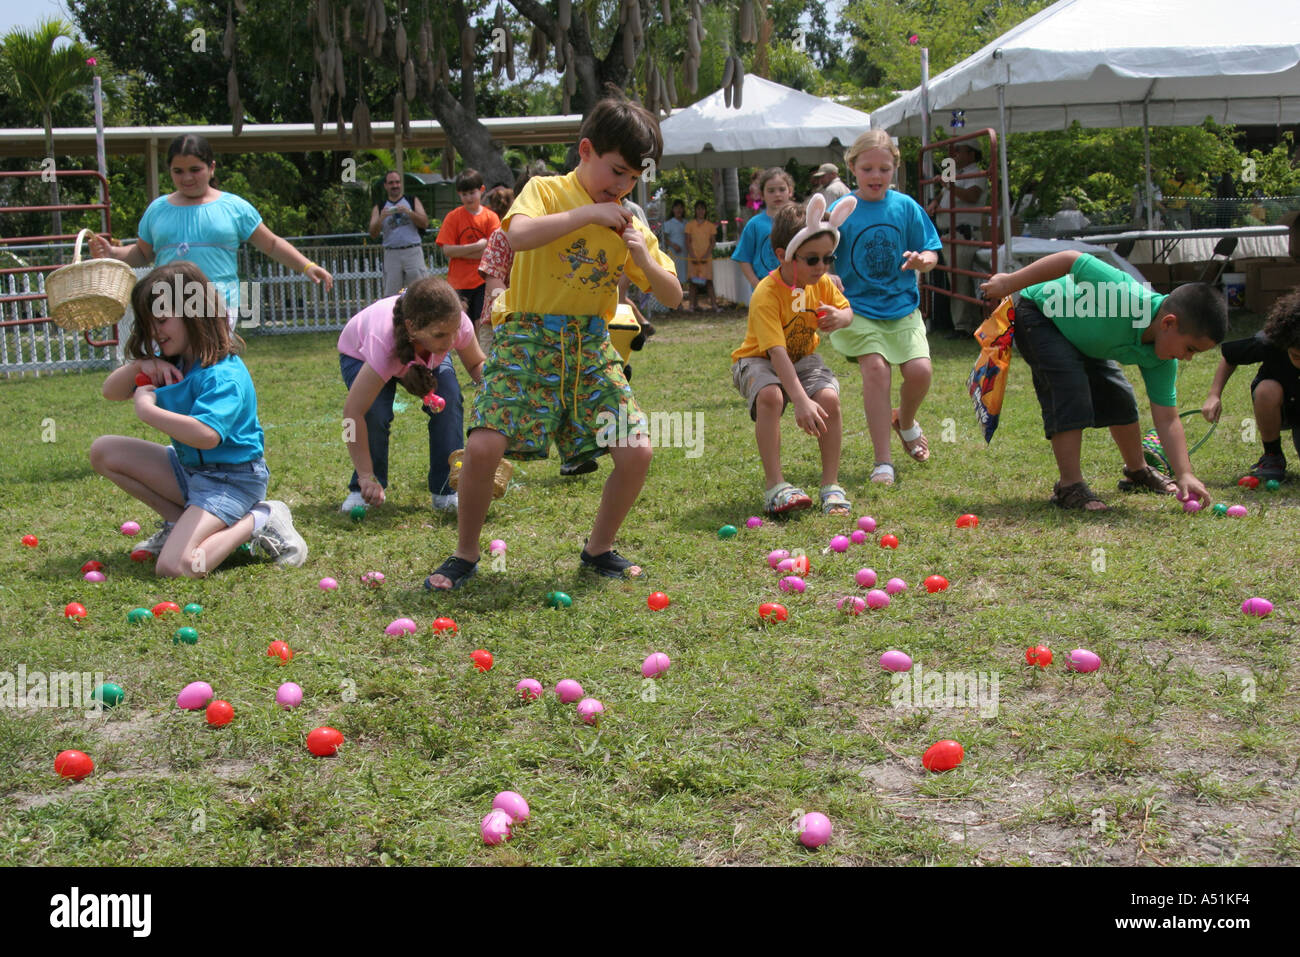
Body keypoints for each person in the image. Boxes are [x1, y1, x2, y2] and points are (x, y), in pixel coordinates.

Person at [424, 95, 682, 590]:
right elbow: (516, 236)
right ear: (585, 150)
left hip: (588, 343)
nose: (624, 186)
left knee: (637, 452)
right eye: (617, 172)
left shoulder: (630, 221)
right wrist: (586, 216)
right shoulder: (545, 190)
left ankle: (598, 549)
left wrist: (643, 260)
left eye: (633, 178)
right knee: (483, 447)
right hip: (526, 337)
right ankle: (466, 553)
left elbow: (670, 292)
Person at [88, 261, 307, 576]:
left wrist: (149, 411)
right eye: (149, 323)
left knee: (177, 566)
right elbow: (110, 390)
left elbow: (207, 435)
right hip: (191, 472)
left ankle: (260, 519)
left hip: (232, 482)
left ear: (195, 313)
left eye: (162, 320)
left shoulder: (224, 375)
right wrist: (145, 365)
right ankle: (180, 524)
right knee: (103, 451)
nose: (154, 332)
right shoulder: (174, 362)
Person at [980, 251, 1227, 511]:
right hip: (1042, 315)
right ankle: (1069, 486)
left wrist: (1185, 473)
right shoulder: (1127, 296)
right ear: (1168, 323)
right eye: (1190, 349)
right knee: (1070, 388)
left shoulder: (1162, 358)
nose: (1187, 358)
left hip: (1085, 336)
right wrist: (1009, 283)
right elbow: (1070, 259)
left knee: (1119, 395)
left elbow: (1167, 418)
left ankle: (1137, 471)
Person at [90, 134, 333, 327]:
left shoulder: (234, 207)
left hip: (219, 304)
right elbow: (142, 254)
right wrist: (111, 252)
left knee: (208, 366)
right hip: (167, 302)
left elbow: (270, 244)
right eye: (178, 171)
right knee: (174, 373)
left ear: (211, 167)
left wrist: (307, 265)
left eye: (195, 169)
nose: (187, 178)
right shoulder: (157, 209)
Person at [829, 130, 942, 487]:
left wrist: (923, 259)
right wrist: (828, 275)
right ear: (852, 168)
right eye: (867, 169)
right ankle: (883, 462)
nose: (876, 176)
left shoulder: (906, 207)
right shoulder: (841, 210)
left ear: (894, 169)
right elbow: (818, 255)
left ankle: (904, 421)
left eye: (884, 168)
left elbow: (931, 251)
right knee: (876, 370)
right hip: (859, 309)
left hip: (902, 307)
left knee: (921, 372)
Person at [731, 198, 855, 516]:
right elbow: (776, 352)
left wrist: (841, 319)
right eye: (812, 259)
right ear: (782, 255)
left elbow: (847, 311)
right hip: (757, 359)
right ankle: (776, 487)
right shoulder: (767, 293)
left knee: (828, 398)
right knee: (771, 396)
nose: (822, 267)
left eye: (829, 258)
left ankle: (831, 486)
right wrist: (799, 400)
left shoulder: (821, 282)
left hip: (803, 357)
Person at [338, 277, 486, 515]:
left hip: (419, 351)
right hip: (360, 353)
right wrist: (365, 474)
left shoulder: (454, 324)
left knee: (449, 396)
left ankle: (446, 491)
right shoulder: (382, 345)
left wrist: (500, 395)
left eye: (453, 332)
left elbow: (477, 363)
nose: (450, 342)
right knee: (374, 411)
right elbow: (351, 415)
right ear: (411, 327)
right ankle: (362, 487)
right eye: (440, 335)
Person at [1200, 290, 1300, 481]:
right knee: (1266, 390)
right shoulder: (1270, 342)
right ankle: (1272, 456)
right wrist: (1214, 395)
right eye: (1296, 356)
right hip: (1281, 406)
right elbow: (1230, 356)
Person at [927, 142, 986, 337]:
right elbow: (943, 194)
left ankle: (965, 326)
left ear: (972, 153)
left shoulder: (975, 173)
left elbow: (972, 196)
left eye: (958, 150)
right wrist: (935, 202)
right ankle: (963, 323)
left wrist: (949, 185)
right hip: (950, 234)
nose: (954, 154)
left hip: (963, 234)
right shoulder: (958, 174)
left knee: (960, 281)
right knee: (956, 280)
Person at [436, 168, 500, 328]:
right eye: (464, 194)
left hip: (483, 280)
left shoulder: (491, 217)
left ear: (481, 190)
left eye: (472, 192)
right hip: (458, 282)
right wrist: (477, 246)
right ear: (459, 194)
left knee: (481, 323)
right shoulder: (453, 217)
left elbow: (492, 251)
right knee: (461, 325)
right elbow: (448, 250)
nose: (469, 198)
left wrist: (461, 252)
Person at [369, 170, 431, 296]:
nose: (395, 185)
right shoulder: (380, 207)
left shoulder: (412, 200)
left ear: (401, 184)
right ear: (386, 186)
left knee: (421, 291)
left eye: (397, 182)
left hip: (412, 251)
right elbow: (373, 233)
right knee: (391, 294)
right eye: (391, 183)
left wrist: (409, 212)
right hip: (392, 253)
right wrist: (382, 217)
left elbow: (424, 223)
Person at [732, 167, 795, 290]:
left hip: (794, 289)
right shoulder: (754, 224)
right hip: (765, 290)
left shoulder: (799, 222)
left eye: (782, 189)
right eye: (771, 191)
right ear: (761, 195)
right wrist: (756, 283)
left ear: (790, 191)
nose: (777, 194)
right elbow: (743, 258)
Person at [685, 200, 719, 312]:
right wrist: (693, 255)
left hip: (706, 258)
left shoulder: (710, 226)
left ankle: (714, 305)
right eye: (698, 208)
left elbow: (712, 242)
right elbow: (687, 241)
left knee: (709, 282)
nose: (700, 211)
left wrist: (706, 255)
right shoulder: (689, 225)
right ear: (695, 210)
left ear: (705, 211)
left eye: (702, 208)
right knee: (693, 283)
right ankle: (692, 306)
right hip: (693, 257)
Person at [662, 199, 689, 296]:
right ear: (673, 209)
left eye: (681, 207)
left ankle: (681, 299)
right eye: (677, 207)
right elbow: (663, 237)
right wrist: (673, 245)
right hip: (674, 254)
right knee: (675, 276)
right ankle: (676, 300)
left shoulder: (686, 223)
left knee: (683, 277)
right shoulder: (669, 223)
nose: (679, 210)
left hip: (685, 254)